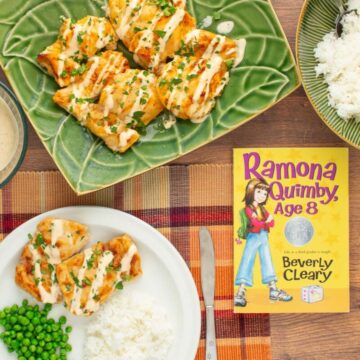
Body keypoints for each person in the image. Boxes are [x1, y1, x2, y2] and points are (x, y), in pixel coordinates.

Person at [234, 178, 292, 307]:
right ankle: (240, 292)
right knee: (247, 260)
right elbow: (256, 223)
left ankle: (273, 289)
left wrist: (266, 222)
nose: (262, 196)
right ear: (251, 192)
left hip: (263, 236)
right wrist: (265, 222)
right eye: (259, 192)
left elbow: (272, 222)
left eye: (264, 194)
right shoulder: (248, 209)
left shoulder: (262, 209)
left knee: (267, 259)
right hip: (253, 236)